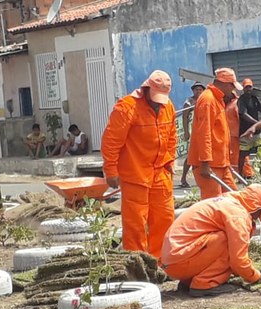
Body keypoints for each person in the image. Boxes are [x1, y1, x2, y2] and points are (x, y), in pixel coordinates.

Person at [102, 70, 177, 259]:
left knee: (165, 217)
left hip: (160, 172)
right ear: (146, 88)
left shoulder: (168, 107)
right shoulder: (127, 107)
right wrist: (111, 170)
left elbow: (172, 138)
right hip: (135, 174)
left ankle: (159, 261)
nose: (158, 103)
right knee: (135, 223)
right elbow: (111, 141)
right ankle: (137, 262)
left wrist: (170, 160)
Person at [161, 184, 261, 297]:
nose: (256, 219)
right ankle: (205, 284)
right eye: (260, 214)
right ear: (257, 208)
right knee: (227, 240)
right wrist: (258, 276)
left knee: (225, 238)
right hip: (180, 260)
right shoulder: (238, 215)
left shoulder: (226, 202)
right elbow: (238, 260)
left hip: (174, 262)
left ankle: (189, 281)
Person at [187, 68, 242, 199]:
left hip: (221, 163)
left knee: (233, 200)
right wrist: (205, 164)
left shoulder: (217, 99)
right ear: (223, 83)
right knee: (214, 205)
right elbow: (204, 133)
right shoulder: (208, 100)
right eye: (232, 86)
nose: (233, 90)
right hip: (210, 165)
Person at [237, 78, 261, 175]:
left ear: (252, 87)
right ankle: (240, 176)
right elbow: (243, 114)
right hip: (245, 133)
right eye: (246, 87)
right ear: (243, 88)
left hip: (257, 132)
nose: (248, 89)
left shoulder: (254, 98)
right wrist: (256, 123)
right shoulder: (241, 100)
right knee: (243, 155)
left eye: (250, 87)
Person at [179, 82, 205, 188]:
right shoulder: (189, 102)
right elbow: (184, 118)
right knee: (190, 156)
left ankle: (201, 178)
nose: (198, 92)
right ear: (193, 91)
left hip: (202, 130)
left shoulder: (205, 101)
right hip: (192, 130)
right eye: (196, 90)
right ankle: (183, 178)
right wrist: (186, 132)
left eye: (200, 89)